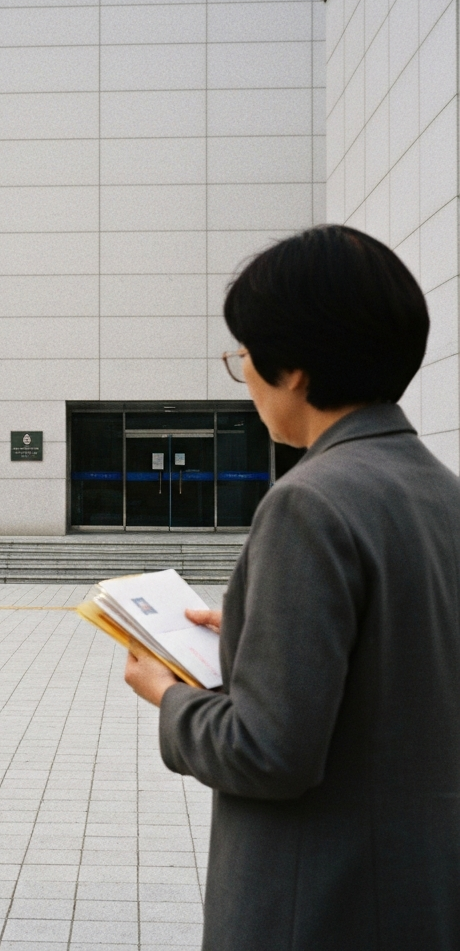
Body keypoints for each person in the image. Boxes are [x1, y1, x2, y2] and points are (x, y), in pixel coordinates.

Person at [123, 224, 460, 950]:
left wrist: (168, 695)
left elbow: (267, 753)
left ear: (294, 367)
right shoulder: (442, 493)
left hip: (319, 909)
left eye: (242, 355)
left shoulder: (309, 501)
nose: (243, 375)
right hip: (420, 894)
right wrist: (252, 633)